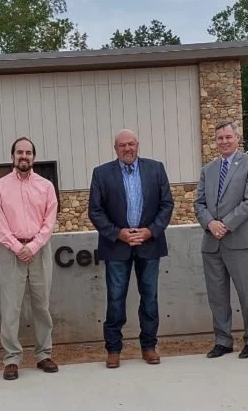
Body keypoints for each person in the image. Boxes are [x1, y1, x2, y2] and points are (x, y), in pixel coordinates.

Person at [87, 129, 175, 369]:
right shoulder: (101, 173)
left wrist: (150, 231)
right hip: (117, 245)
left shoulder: (156, 169)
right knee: (115, 299)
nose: (127, 148)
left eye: (131, 144)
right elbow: (95, 210)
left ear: (138, 145)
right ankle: (114, 349)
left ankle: (149, 346)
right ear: (115, 148)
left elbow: (167, 204)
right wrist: (118, 233)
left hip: (150, 243)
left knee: (150, 298)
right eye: (122, 145)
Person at [194, 121, 248, 359]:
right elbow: (199, 203)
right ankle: (223, 340)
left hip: (240, 239)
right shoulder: (208, 170)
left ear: (237, 137)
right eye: (220, 138)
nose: (224, 141)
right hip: (211, 242)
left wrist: (225, 224)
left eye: (228, 137)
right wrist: (210, 223)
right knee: (217, 296)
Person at [0, 137, 59, 380]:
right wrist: (17, 247)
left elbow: (49, 221)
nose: (24, 156)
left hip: (40, 249)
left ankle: (44, 354)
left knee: (42, 305)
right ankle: (11, 358)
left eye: (28, 153)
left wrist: (33, 245)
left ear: (34, 157)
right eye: (19, 152)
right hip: (11, 251)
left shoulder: (46, 186)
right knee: (11, 307)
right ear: (12, 156)